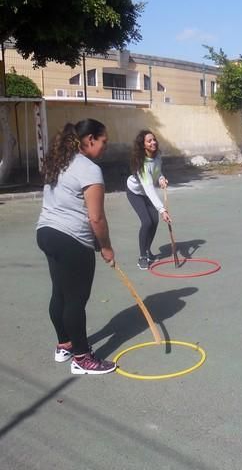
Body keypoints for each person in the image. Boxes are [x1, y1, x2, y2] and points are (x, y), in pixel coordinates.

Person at [36, 119, 116, 375]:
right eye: (104, 141)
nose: (105, 147)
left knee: (59, 292)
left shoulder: (60, 162)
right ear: (90, 139)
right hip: (70, 239)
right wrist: (106, 247)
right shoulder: (89, 169)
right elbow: (96, 218)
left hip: (47, 234)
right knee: (75, 300)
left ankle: (65, 344)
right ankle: (82, 358)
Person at [126, 130, 171, 269]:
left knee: (154, 221)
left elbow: (157, 172)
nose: (153, 142)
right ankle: (142, 256)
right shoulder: (142, 164)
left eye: (154, 139)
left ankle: (147, 250)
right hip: (135, 193)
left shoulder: (157, 156)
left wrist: (162, 179)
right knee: (146, 221)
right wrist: (162, 209)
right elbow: (149, 188)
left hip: (146, 193)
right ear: (143, 145)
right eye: (149, 141)